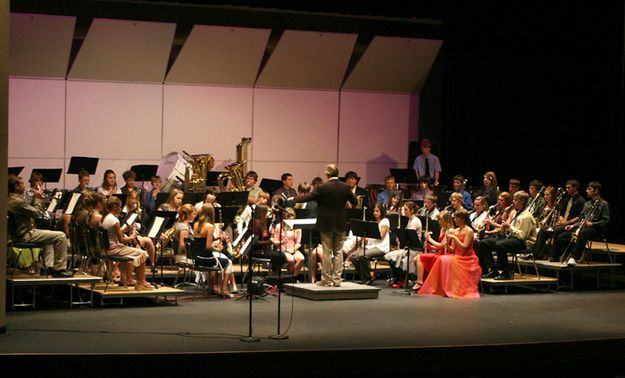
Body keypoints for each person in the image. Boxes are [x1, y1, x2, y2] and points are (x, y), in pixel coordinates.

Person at [293, 163, 357, 287]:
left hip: (326, 224)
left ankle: (326, 280)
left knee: (327, 252)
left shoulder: (322, 187)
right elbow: (354, 201)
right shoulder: (345, 187)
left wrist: (293, 199)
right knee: (338, 252)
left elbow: (308, 197)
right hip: (341, 224)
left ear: (327, 174)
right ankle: (337, 280)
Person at [7, 174, 72, 277]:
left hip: (17, 235)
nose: (24, 186)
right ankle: (60, 269)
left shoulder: (9, 199)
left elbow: (28, 211)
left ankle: (47, 267)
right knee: (61, 236)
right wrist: (38, 199)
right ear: (16, 186)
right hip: (25, 235)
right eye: (22, 184)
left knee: (49, 239)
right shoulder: (17, 201)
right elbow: (37, 214)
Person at [417, 208, 481, 299]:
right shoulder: (456, 230)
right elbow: (452, 249)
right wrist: (447, 244)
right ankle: (442, 287)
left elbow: (465, 247)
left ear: (462, 219)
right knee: (442, 259)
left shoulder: (469, 231)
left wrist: (454, 238)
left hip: (467, 257)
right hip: (457, 255)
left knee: (447, 260)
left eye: (456, 218)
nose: (454, 220)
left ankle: (452, 288)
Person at [478, 191, 537, 280]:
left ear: (522, 201)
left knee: (500, 244)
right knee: (484, 243)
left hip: (523, 242)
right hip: (513, 238)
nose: (513, 202)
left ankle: (506, 272)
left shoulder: (526, 216)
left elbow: (522, 236)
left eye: (515, 199)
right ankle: (494, 270)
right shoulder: (517, 213)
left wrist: (509, 227)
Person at [551, 181, 610, 266]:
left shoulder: (604, 204)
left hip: (596, 229)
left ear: (596, 191)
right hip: (583, 227)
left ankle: (574, 257)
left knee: (583, 233)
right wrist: (573, 225)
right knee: (561, 236)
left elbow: (605, 221)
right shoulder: (587, 204)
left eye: (589, 189)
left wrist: (592, 224)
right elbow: (581, 218)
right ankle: (559, 255)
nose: (586, 191)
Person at [101, 196, 151, 288]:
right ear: (115, 207)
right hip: (113, 250)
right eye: (119, 207)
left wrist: (123, 230)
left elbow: (113, 234)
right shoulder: (115, 220)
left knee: (134, 252)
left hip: (108, 247)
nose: (120, 209)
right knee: (142, 253)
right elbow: (121, 240)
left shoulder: (106, 217)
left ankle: (127, 279)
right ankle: (142, 281)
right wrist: (132, 237)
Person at [193, 203, 234, 297]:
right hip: (206, 259)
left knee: (220, 260)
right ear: (211, 213)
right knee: (229, 262)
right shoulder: (210, 227)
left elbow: (201, 242)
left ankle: (214, 287)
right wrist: (217, 249)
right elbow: (208, 247)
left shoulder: (196, 225)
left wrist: (215, 239)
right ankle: (224, 290)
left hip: (198, 258)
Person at [348, 203, 390, 285]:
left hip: (380, 247)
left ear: (382, 211)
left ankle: (369, 278)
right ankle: (364, 277)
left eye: (377, 211)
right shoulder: (374, 222)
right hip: (371, 246)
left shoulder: (385, 221)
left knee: (362, 256)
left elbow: (381, 236)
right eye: (374, 211)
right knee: (353, 256)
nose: (375, 213)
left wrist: (369, 235)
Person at [384, 201, 422, 287]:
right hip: (408, 248)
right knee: (389, 256)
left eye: (406, 209)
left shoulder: (415, 221)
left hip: (415, 250)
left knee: (403, 260)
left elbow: (410, 236)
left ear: (412, 210)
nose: (404, 211)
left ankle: (401, 279)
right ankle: (397, 278)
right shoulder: (410, 220)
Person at [547, 179, 586, 262]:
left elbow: (579, 217)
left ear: (575, 188)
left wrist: (566, 223)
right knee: (544, 230)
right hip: (564, 223)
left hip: (573, 225)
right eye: (566, 188)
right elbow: (562, 213)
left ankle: (554, 255)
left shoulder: (581, 201)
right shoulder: (566, 199)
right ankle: (538, 253)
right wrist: (560, 221)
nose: (567, 189)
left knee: (557, 231)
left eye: (569, 188)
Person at [413, 210, 453, 288]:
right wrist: (430, 247)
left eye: (441, 220)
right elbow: (439, 247)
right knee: (415, 259)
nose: (439, 222)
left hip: (446, 254)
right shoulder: (442, 229)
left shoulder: (450, 230)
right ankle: (423, 280)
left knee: (419, 257)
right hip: (440, 252)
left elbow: (442, 246)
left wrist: (430, 239)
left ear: (446, 220)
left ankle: (420, 282)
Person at [271, 207, 305, 276]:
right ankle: (290, 279)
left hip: (293, 249)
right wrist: (281, 243)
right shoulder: (279, 226)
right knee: (291, 260)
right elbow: (275, 241)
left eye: (292, 216)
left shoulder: (297, 227)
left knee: (301, 258)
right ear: (284, 217)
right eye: (289, 216)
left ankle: (293, 277)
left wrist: (293, 249)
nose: (291, 218)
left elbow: (298, 242)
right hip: (282, 249)